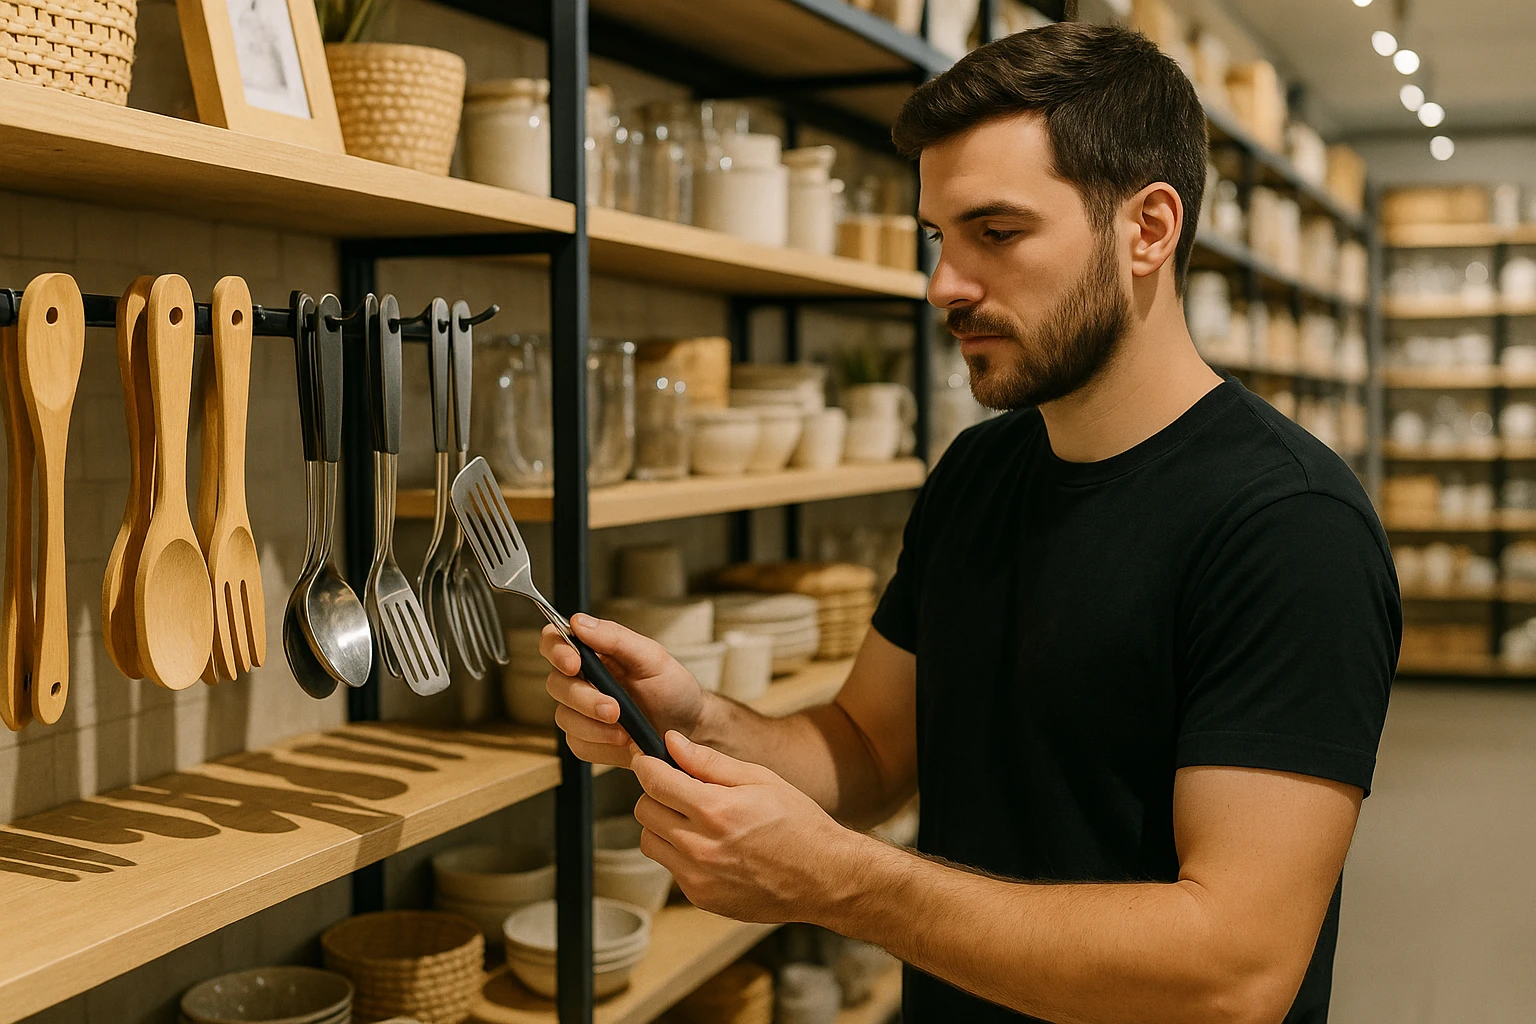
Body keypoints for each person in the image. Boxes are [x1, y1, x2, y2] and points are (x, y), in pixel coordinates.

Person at [542, 21, 1398, 1024]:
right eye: (939, 239)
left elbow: (1233, 971)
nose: (945, 284)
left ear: (1149, 229)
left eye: (997, 233)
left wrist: (844, 884)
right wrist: (697, 720)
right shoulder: (979, 473)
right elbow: (868, 751)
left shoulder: (1289, 528)